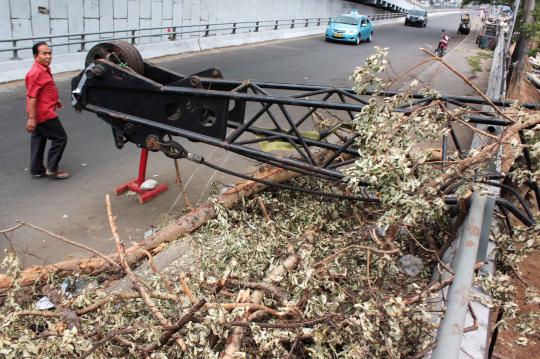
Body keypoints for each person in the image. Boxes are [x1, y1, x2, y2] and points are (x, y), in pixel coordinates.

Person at [25, 42, 69, 179]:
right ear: (35, 56)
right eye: (44, 54)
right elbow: (32, 96)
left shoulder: (43, 68)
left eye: (50, 53)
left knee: (39, 138)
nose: (48, 56)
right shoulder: (36, 72)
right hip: (43, 114)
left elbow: (43, 90)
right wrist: (32, 118)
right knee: (61, 138)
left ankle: (36, 169)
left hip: (42, 110)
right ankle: (52, 168)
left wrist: (55, 100)